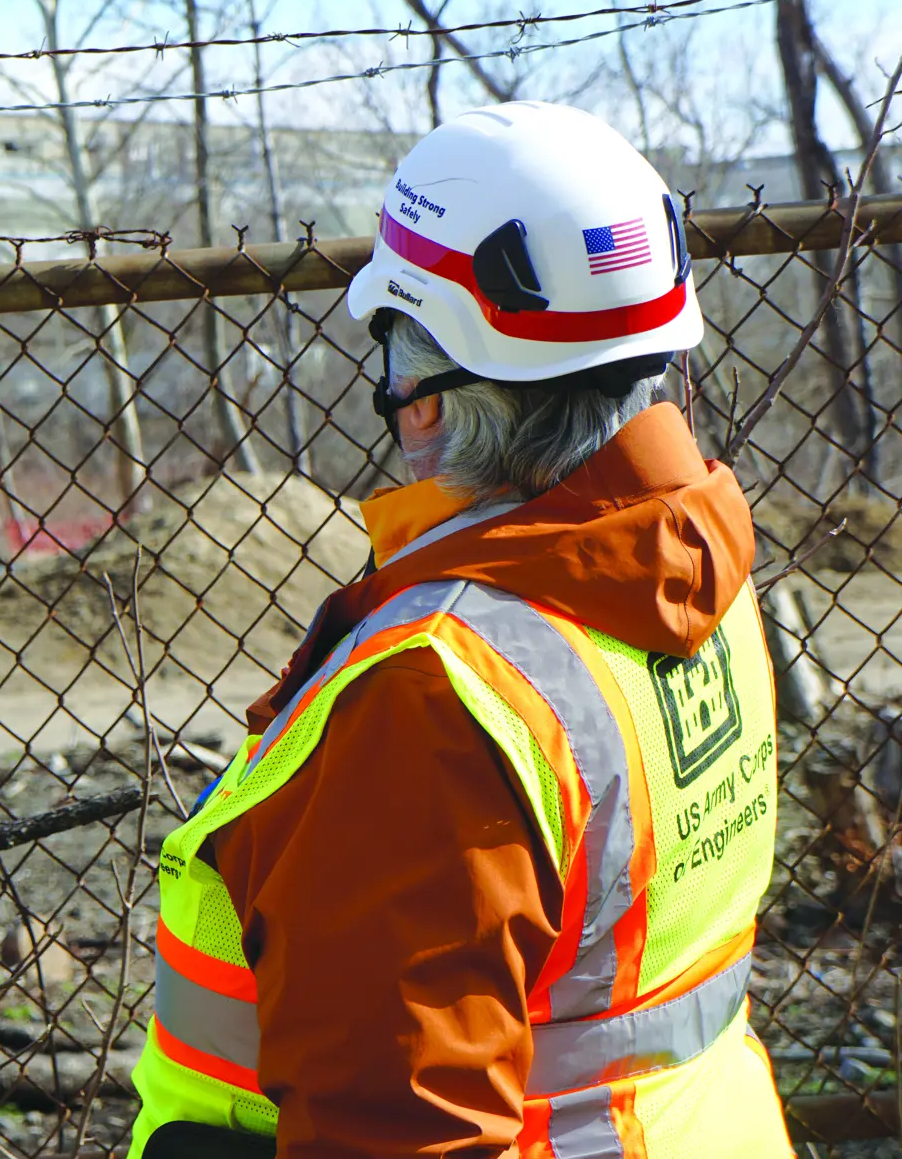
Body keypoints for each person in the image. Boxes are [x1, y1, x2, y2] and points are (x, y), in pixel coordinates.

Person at [129, 102, 792, 1157]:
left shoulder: (433, 692)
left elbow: (399, 1133)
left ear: (426, 396)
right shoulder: (697, 569)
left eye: (394, 357)